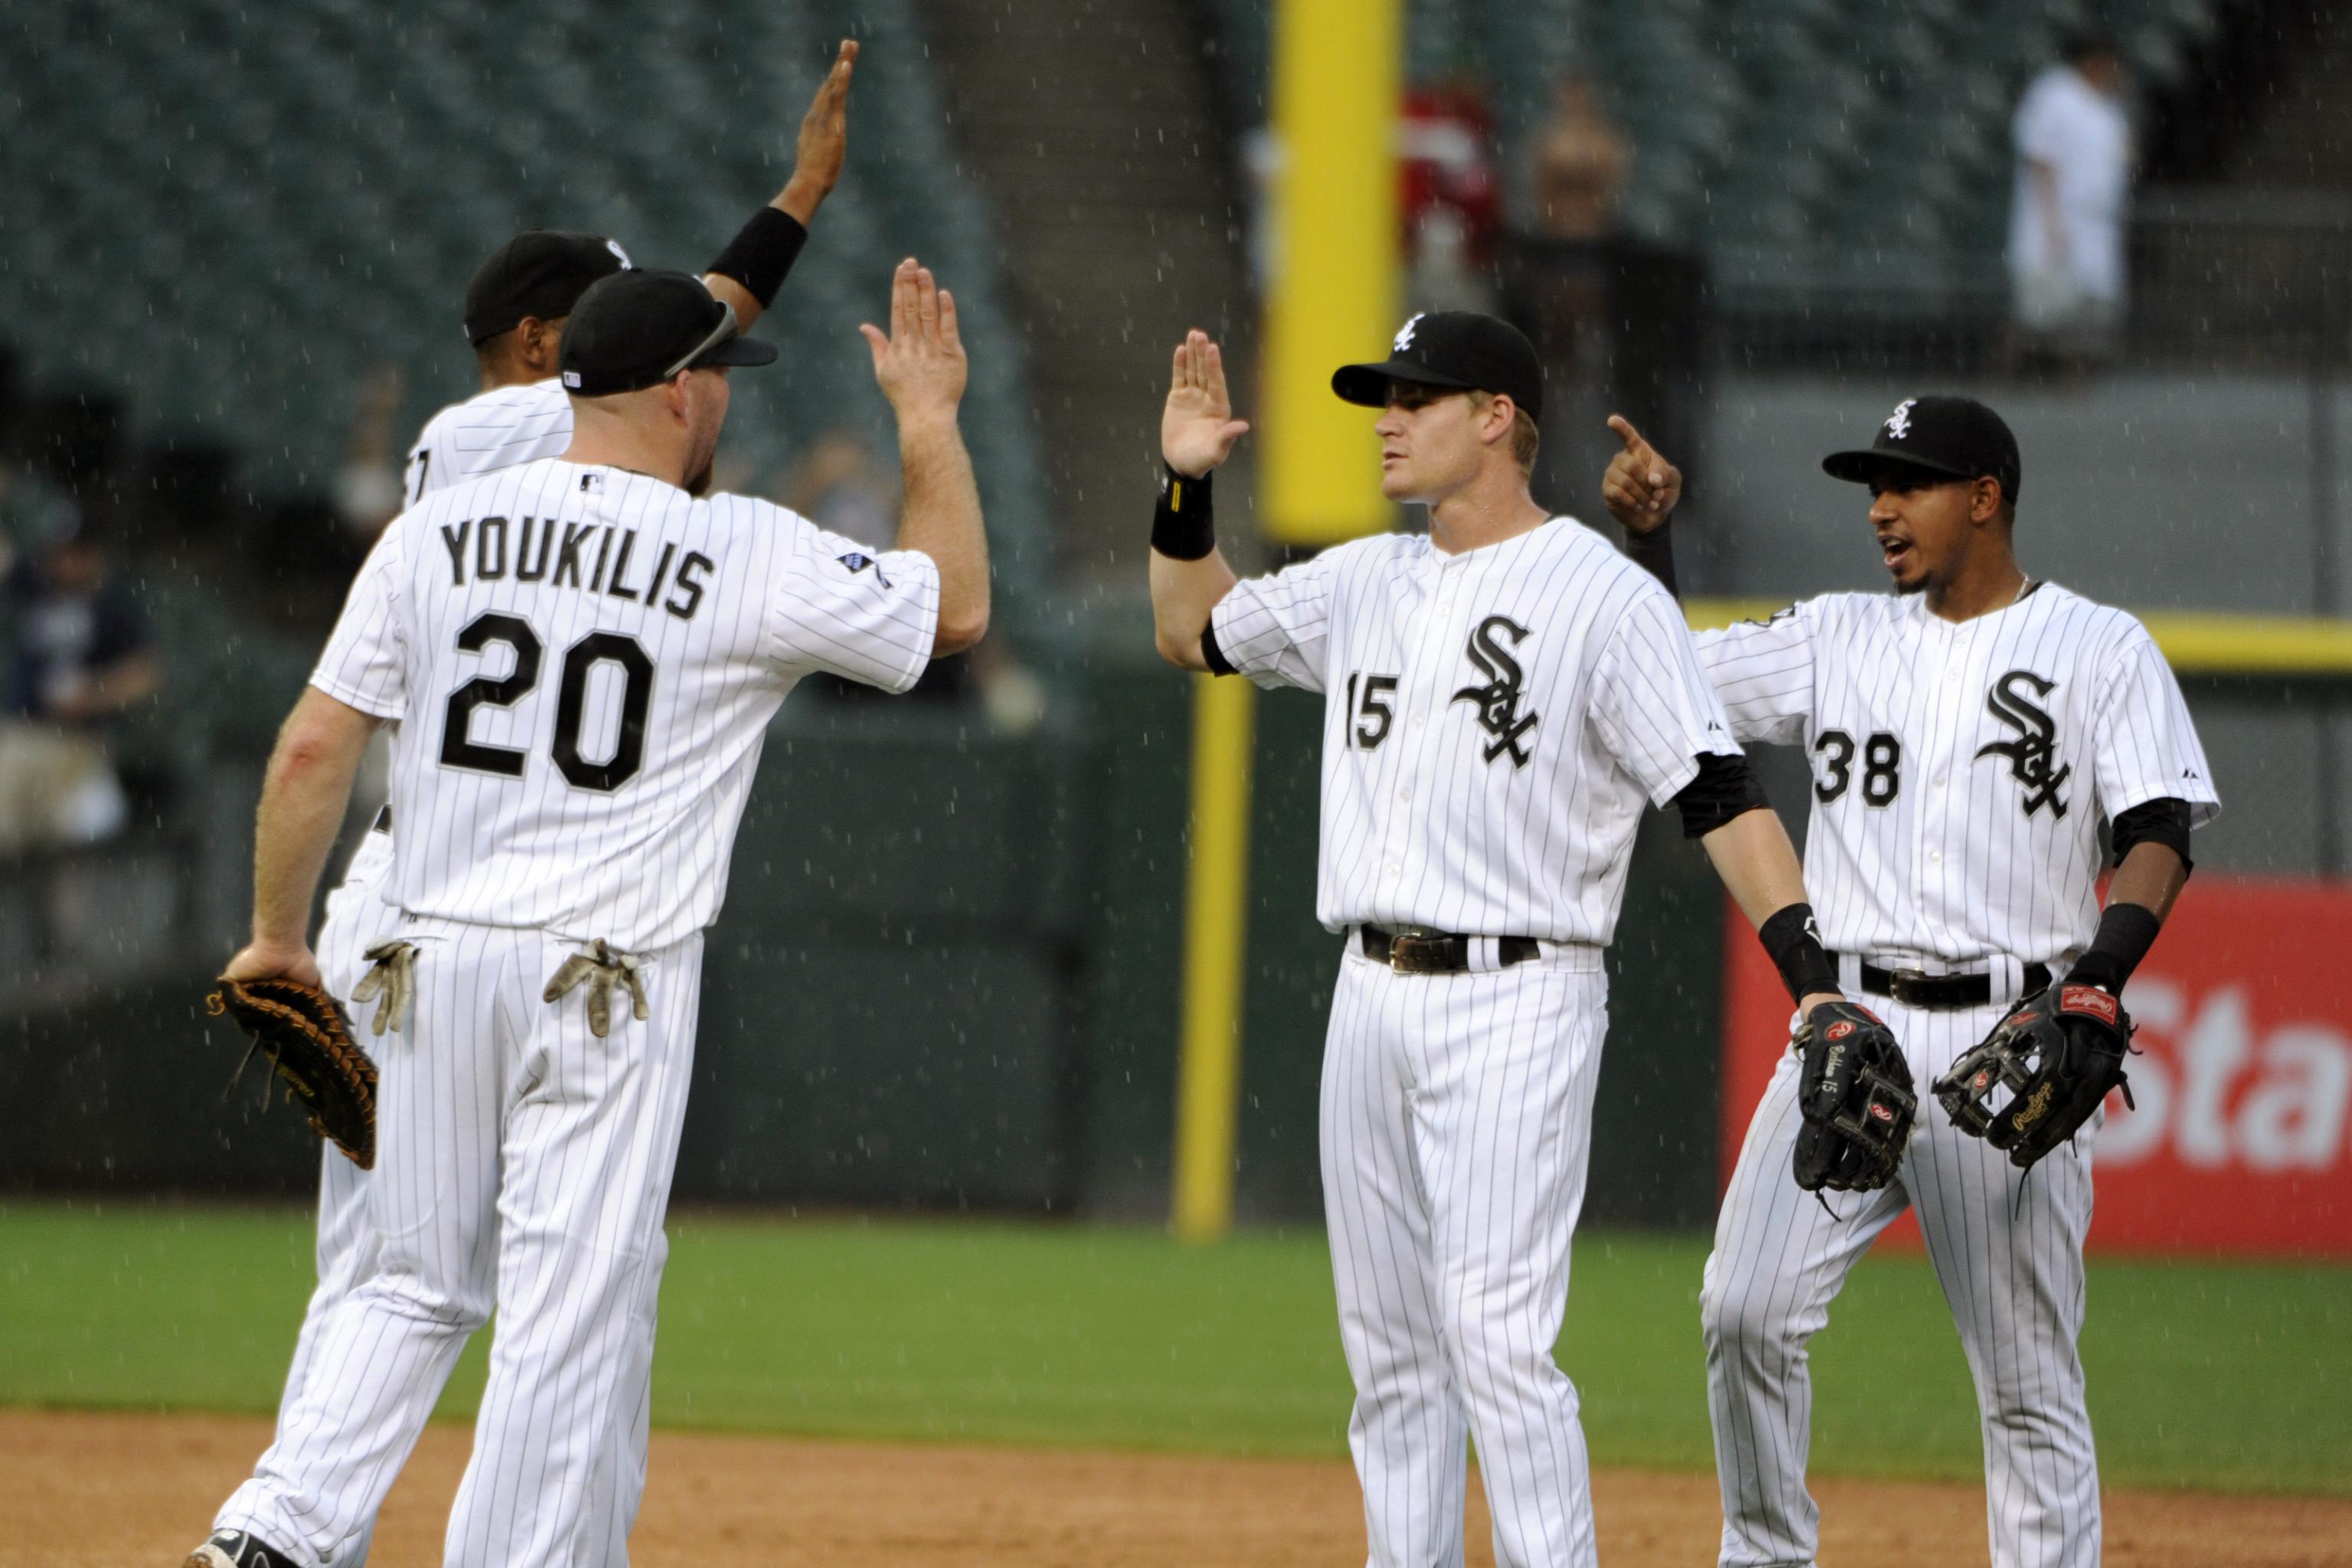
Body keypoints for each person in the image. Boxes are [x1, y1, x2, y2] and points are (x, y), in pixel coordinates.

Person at [188, 258, 985, 1568]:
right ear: (674, 391)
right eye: (721, 374)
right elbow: (950, 607)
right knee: (568, 1312)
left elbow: (311, 753)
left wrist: (279, 936)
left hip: (416, 955)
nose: (727, 397)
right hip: (598, 981)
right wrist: (929, 423)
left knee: (404, 1279)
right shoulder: (738, 547)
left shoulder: (438, 529)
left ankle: (270, 1533)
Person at [1146, 312, 1886, 1568]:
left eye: (1415, 396)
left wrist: (1814, 981)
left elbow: (1718, 794)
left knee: (1492, 1332)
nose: (1385, 415)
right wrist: (1183, 484)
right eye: (1382, 394)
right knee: (1388, 1349)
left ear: (1495, 417)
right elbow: (1189, 629)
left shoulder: (1598, 593)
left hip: (1519, 993)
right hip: (1366, 991)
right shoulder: (1361, 579)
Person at [1602, 396, 2219, 1568]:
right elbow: (1666, 685)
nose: (1881, 508)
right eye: (1872, 485)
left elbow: (2160, 826)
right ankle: (1768, 1553)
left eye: (1910, 482)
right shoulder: (1836, 632)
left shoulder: (2100, 646)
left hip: (2008, 1034)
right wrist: (1652, 548)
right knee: (1744, 1310)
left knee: (2027, 1384)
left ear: (1985, 496)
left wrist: (2095, 982)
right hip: (1851, 1027)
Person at [0, 509, 160, 852]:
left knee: (90, 833)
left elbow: (145, 675)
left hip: (79, 746)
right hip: (22, 738)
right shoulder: (34, 584)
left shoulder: (114, 605)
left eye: (75, 552)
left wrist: (92, 695)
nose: (65, 560)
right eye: (59, 552)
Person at [2007, 30, 2132, 367]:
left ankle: (2072, 384)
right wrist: (2051, 222)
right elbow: (2039, 157)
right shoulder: (2055, 93)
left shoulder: (2107, 107)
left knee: (2085, 313)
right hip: (2054, 219)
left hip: (2095, 225)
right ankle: (2002, 378)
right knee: (2037, 313)